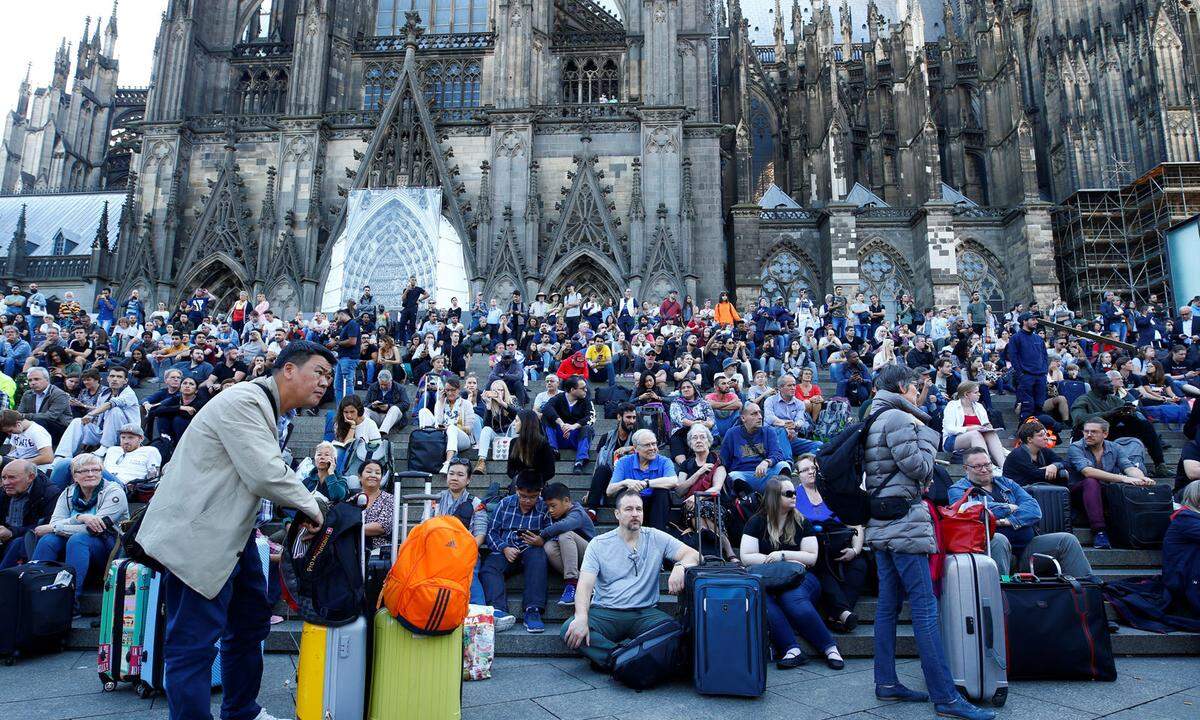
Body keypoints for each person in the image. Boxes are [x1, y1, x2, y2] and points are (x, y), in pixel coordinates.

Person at [137, 341, 330, 720]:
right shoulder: (245, 400)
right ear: (288, 369)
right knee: (191, 644)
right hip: (197, 538)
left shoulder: (269, 409)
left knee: (249, 624)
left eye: (328, 376)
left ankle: (241, 710)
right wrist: (317, 508)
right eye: (319, 372)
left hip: (233, 536)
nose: (325, 382)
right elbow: (265, 472)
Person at [865, 365, 994, 720]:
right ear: (905, 387)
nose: (918, 393)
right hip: (905, 524)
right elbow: (921, 469)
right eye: (916, 387)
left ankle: (887, 682)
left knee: (888, 607)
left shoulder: (875, 414)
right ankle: (946, 697)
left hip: (882, 522)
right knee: (924, 609)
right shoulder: (898, 419)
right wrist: (928, 435)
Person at [561, 488, 700, 669]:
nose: (635, 514)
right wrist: (580, 617)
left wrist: (680, 566)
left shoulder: (655, 537)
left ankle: (617, 660)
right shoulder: (599, 544)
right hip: (607, 612)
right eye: (628, 509)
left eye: (639, 509)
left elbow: (693, 554)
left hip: (645, 613)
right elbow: (585, 586)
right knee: (568, 629)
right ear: (617, 514)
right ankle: (626, 659)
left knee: (676, 633)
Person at [740, 477, 845, 670]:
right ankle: (792, 649)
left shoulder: (801, 521)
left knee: (792, 599)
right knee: (763, 599)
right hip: (769, 580)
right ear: (774, 497)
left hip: (802, 579)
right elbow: (746, 557)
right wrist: (782, 561)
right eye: (788, 493)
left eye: (794, 492)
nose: (794, 496)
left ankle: (830, 647)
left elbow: (812, 557)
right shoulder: (756, 521)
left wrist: (782, 555)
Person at [949, 447, 1094, 578]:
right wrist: (1009, 507)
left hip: (1028, 549)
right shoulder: (958, 490)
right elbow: (974, 512)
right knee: (999, 539)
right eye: (977, 466)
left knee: (1067, 540)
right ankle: (1001, 593)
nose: (984, 469)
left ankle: (1086, 591)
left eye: (987, 464)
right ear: (965, 468)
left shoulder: (1006, 483)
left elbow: (1034, 509)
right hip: (989, 549)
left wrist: (1008, 521)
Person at [29, 453, 129, 615]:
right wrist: (81, 518)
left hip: (109, 549)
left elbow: (95, 529)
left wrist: (61, 526)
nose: (90, 474)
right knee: (49, 541)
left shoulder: (114, 492)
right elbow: (55, 521)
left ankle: (70, 603)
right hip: (75, 548)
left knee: (78, 539)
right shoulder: (68, 493)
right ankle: (33, 594)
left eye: (96, 470)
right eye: (83, 471)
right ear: (75, 476)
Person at [792, 454, 867, 633]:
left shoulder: (833, 492)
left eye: (813, 468)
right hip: (812, 550)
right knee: (820, 566)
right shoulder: (794, 495)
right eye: (805, 470)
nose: (810, 472)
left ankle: (836, 614)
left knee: (860, 565)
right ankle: (842, 613)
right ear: (798, 474)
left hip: (839, 545)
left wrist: (855, 550)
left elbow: (855, 523)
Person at [480, 472, 551, 634]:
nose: (527, 501)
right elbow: (491, 532)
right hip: (505, 552)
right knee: (489, 568)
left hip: (531, 551)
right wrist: (504, 548)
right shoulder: (505, 504)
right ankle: (498, 610)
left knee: (539, 556)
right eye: (523, 496)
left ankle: (533, 610)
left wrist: (542, 540)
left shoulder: (544, 507)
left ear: (539, 492)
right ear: (517, 490)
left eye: (532, 497)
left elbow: (552, 533)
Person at [1068, 418, 1154, 549]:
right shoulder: (1076, 447)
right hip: (1078, 493)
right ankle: (1099, 531)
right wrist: (1123, 478)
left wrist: (1141, 479)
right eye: (1086, 431)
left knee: (1123, 487)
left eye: (1094, 431)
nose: (1089, 434)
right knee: (1091, 482)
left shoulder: (1115, 447)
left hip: (1105, 491)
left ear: (1105, 434)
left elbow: (1128, 467)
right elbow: (1088, 472)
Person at [1070, 372, 1170, 477]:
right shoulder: (1083, 400)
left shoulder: (1113, 399)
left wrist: (1129, 411)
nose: (1111, 385)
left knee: (1144, 425)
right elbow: (1079, 419)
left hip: (1110, 433)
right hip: (1089, 436)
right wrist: (1110, 413)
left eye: (1110, 382)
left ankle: (1160, 465)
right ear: (1095, 385)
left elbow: (1125, 411)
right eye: (1107, 382)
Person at [531, 482, 596, 606]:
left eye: (553, 506)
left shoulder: (577, 513)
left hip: (591, 556)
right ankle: (582, 581)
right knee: (549, 546)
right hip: (572, 558)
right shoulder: (559, 513)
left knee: (565, 534)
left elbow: (564, 526)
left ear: (566, 501)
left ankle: (571, 583)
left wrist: (542, 535)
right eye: (548, 506)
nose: (550, 510)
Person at [55, 366, 140, 458]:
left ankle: (105, 447)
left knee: (114, 410)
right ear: (107, 378)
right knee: (77, 422)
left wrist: (90, 414)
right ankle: (62, 455)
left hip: (127, 434)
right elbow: (99, 418)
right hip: (102, 432)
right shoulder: (104, 395)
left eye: (119, 377)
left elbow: (111, 404)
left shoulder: (129, 393)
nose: (114, 379)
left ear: (125, 381)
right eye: (112, 376)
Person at [607, 429, 677, 531]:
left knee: (662, 491)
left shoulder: (664, 461)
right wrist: (625, 482)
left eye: (654, 444)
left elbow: (674, 481)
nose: (653, 448)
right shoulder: (624, 462)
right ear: (635, 448)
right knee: (625, 491)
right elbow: (609, 491)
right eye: (647, 445)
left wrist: (646, 483)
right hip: (634, 506)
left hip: (656, 507)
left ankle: (657, 535)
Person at [0, 459, 58, 569]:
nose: (6, 483)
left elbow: (47, 528)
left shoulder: (50, 494)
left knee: (17, 542)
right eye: (4, 477)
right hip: (6, 540)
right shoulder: (4, 492)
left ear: (30, 477)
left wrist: (12, 532)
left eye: (12, 477)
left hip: (29, 544)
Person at [719, 402, 790, 492]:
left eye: (760, 413)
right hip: (744, 476)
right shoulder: (732, 433)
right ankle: (749, 501)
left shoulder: (769, 431)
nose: (760, 417)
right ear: (743, 418)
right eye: (754, 414)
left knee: (783, 465)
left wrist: (766, 462)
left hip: (766, 474)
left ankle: (779, 499)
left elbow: (777, 453)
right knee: (733, 476)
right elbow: (724, 460)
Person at [417, 375, 476, 473]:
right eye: (447, 390)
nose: (450, 393)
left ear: (458, 390)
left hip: (463, 438)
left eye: (453, 390)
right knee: (423, 411)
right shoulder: (441, 402)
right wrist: (440, 402)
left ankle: (448, 462)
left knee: (452, 428)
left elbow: (469, 428)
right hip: (442, 436)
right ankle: (424, 445)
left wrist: (452, 427)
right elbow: (438, 422)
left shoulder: (466, 404)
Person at [585, 404, 638, 510]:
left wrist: (629, 448)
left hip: (629, 477)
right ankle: (592, 512)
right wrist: (592, 490)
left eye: (634, 417)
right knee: (602, 469)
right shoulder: (606, 437)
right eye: (628, 417)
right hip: (609, 476)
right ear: (619, 417)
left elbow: (646, 451)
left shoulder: (637, 437)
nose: (632, 421)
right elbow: (599, 463)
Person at [942, 381, 1008, 466]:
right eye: (976, 392)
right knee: (975, 434)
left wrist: (988, 427)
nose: (979, 394)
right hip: (952, 440)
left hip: (978, 438)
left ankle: (1004, 467)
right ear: (966, 394)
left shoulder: (979, 406)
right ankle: (988, 466)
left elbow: (985, 424)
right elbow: (950, 429)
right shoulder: (952, 405)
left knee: (991, 433)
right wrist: (971, 428)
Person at [542, 375, 595, 474]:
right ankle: (553, 450)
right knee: (546, 418)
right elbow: (546, 408)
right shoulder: (559, 398)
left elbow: (591, 417)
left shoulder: (586, 401)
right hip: (560, 437)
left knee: (587, 428)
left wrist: (573, 426)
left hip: (576, 438)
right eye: (583, 388)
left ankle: (579, 461)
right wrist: (562, 424)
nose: (586, 390)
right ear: (572, 389)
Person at [763, 374, 824, 459]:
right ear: (780, 388)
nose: (793, 388)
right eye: (789, 385)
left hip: (791, 438)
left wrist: (795, 425)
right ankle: (788, 462)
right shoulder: (770, 400)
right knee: (781, 430)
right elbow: (769, 418)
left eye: (794, 385)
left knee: (819, 445)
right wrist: (786, 426)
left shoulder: (800, 403)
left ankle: (803, 463)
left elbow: (800, 420)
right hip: (772, 439)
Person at [1002, 419, 1069, 486]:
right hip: (1016, 491)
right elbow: (1035, 474)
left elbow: (1065, 463)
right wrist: (1054, 469)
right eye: (1041, 435)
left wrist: (1054, 466)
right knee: (1062, 474)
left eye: (1046, 434)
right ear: (1029, 439)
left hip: (1035, 487)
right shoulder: (1018, 454)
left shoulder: (1044, 450)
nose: (1046, 438)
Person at [1009, 312, 1049, 421]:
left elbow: (1045, 356)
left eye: (1036, 319)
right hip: (1026, 376)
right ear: (1024, 321)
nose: (1036, 322)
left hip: (1040, 376)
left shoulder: (1039, 339)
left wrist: (1044, 371)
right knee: (1027, 407)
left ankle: (1039, 432)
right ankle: (1024, 432)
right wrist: (1020, 374)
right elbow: (1013, 357)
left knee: (1039, 405)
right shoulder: (1016, 338)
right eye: (1033, 319)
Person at [17, 366, 72, 443]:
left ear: (47, 379)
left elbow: (51, 416)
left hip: (60, 429)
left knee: (40, 420)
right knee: (6, 419)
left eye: (36, 379)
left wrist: (26, 416)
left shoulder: (59, 394)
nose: (33, 382)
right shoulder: (27, 394)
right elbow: (20, 413)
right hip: (36, 425)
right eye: (30, 380)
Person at [360, 459, 393, 550]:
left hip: (379, 552)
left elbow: (382, 526)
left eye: (377, 473)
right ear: (359, 476)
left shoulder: (389, 499)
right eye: (369, 471)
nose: (373, 475)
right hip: (354, 549)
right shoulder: (352, 500)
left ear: (381, 478)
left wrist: (352, 529)